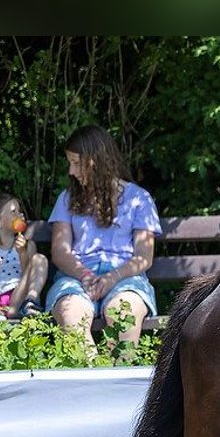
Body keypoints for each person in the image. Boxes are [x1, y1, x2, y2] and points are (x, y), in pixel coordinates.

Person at [44, 124, 161, 357]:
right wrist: (85, 276)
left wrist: (112, 277)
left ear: (96, 161)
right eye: (70, 163)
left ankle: (118, 378)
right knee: (71, 314)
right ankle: (90, 377)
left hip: (125, 278)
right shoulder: (67, 199)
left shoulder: (139, 198)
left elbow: (143, 256)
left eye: (77, 163)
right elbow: (60, 252)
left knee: (124, 316)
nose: (71, 171)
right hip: (76, 278)